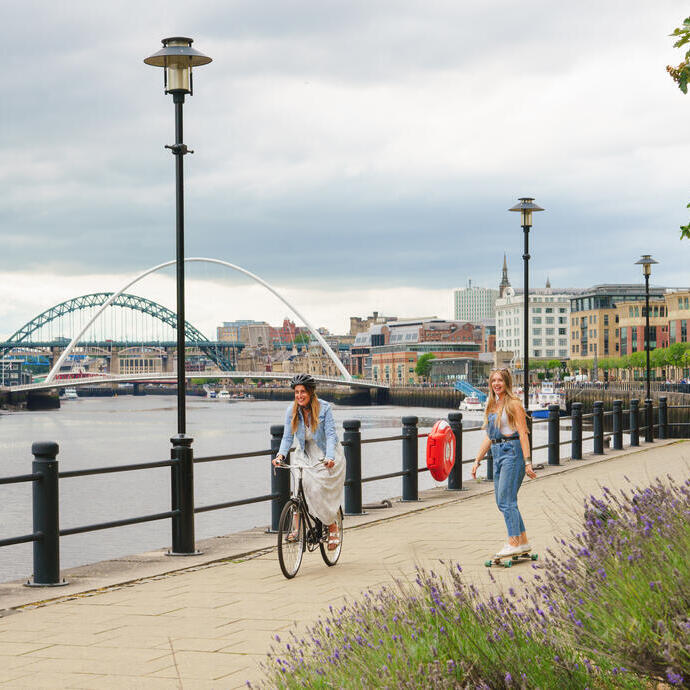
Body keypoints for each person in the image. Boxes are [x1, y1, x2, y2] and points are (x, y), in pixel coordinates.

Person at [273, 374, 345, 550]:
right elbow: (287, 437)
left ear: (311, 392)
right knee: (299, 485)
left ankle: (331, 525)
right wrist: (280, 455)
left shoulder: (324, 408)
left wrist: (329, 457)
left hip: (325, 452)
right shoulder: (291, 410)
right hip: (304, 452)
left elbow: (330, 436)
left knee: (317, 487)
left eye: (303, 392)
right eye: (296, 392)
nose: (299, 396)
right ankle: (297, 528)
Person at [471, 368, 537, 557]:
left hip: (512, 453)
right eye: (493, 381)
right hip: (497, 453)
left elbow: (523, 433)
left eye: (500, 380)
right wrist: (477, 460)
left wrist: (527, 462)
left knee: (507, 501)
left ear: (507, 383)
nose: (496, 384)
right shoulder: (492, 404)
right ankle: (523, 542)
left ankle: (513, 542)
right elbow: (490, 436)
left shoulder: (513, 404)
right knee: (504, 502)